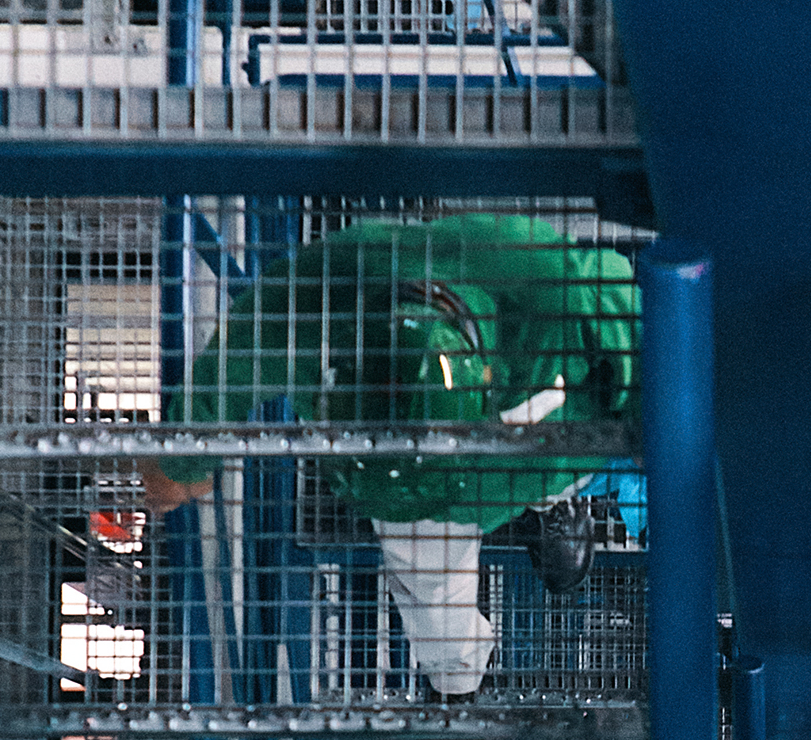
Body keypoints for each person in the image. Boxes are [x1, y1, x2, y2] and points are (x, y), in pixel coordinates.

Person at [124, 215, 640, 703]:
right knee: (429, 585)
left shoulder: (551, 290)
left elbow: (649, 344)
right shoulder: (317, 301)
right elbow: (232, 362)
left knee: (556, 436)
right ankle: (454, 688)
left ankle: (552, 504)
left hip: (537, 431)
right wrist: (182, 460)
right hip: (415, 482)